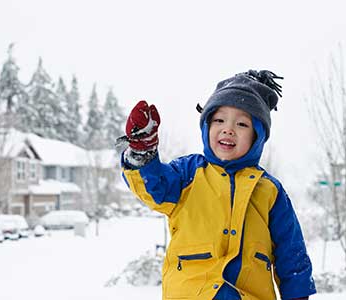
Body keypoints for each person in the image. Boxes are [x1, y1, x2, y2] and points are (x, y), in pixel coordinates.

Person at [118, 70, 316, 300]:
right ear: (206, 127)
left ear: (257, 136)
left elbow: (291, 253)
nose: (228, 129)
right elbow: (154, 188)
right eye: (219, 120)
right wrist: (143, 153)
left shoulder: (269, 191)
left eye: (242, 124)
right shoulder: (188, 174)